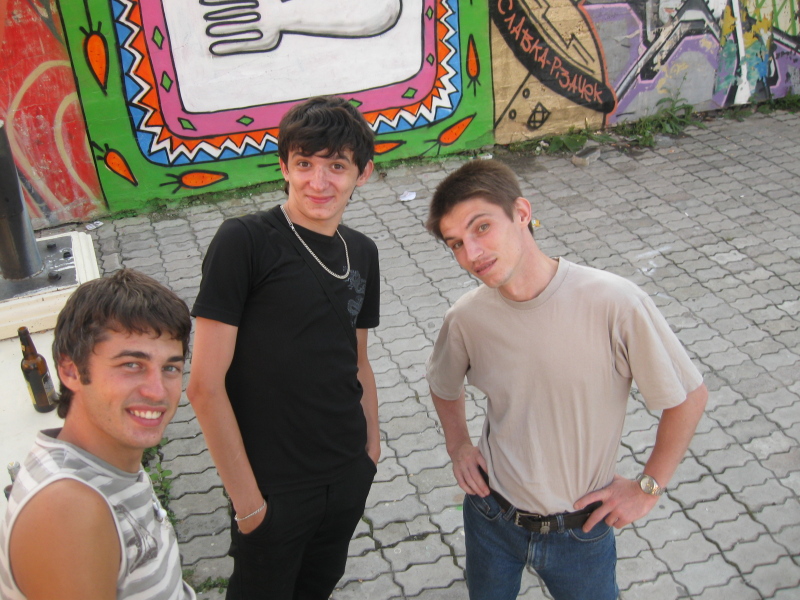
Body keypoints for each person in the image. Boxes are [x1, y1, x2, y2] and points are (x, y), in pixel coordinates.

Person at [425, 160, 708, 600]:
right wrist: (458, 444)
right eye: (456, 244)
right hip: (491, 518)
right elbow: (443, 384)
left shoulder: (615, 303)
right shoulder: (466, 318)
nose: (472, 253)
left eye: (482, 227)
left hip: (581, 531)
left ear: (521, 212)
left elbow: (688, 397)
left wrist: (648, 487)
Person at [187, 95, 380, 600]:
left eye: (336, 166)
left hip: (347, 472)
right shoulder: (244, 242)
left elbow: (358, 359)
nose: (318, 182)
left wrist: (371, 449)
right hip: (273, 488)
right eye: (304, 164)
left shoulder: (362, 251)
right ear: (284, 167)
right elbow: (204, 386)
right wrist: (249, 503)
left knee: (317, 587)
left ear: (362, 174)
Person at [0, 269, 195, 600]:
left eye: (170, 368)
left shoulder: (109, 460)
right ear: (70, 371)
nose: (157, 391)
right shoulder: (66, 511)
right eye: (131, 365)